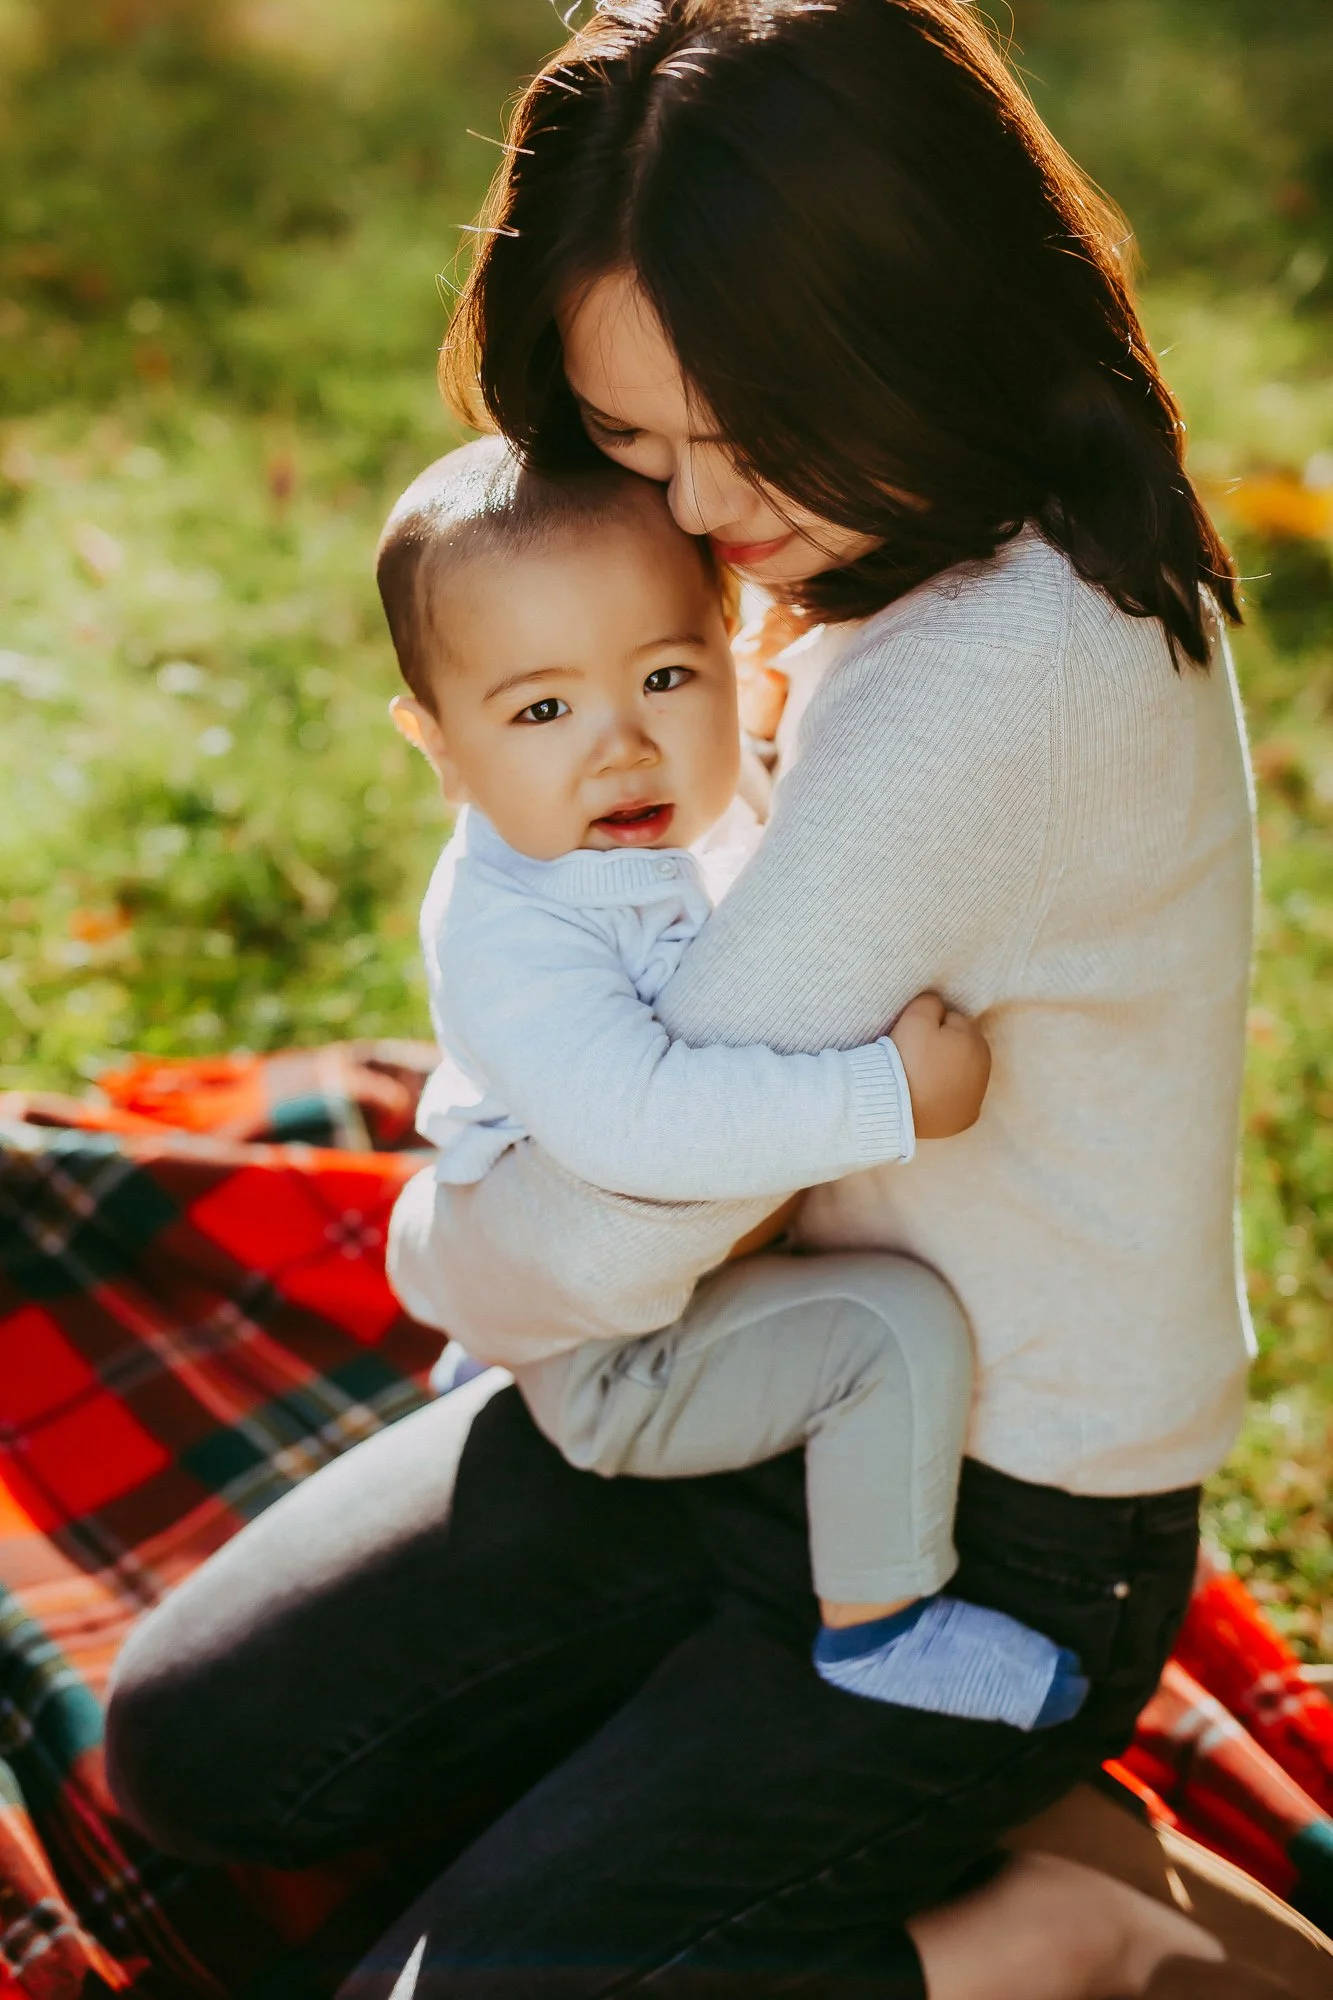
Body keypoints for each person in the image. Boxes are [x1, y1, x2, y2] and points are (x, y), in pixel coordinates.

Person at [105, 2, 1272, 1992]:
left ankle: (1046, 1936)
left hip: (991, 1512)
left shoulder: (997, 687)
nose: (700, 513)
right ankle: (877, 1807)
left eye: (752, 430)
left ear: (920, 317)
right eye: (636, 440)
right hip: (747, 1379)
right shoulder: (874, 529)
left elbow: (618, 1208)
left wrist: (445, 1237)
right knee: (197, 1744)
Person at [377, 433, 1085, 1732]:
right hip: (613, 1356)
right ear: (437, 747)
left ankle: (487, 1351)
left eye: (663, 674)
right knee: (890, 1330)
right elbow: (637, 1124)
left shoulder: (677, 806)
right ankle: (882, 1622)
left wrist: (755, 739)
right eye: (541, 709)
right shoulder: (511, 930)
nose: (622, 746)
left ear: (734, 654)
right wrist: (887, 1096)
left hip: (621, 1278)